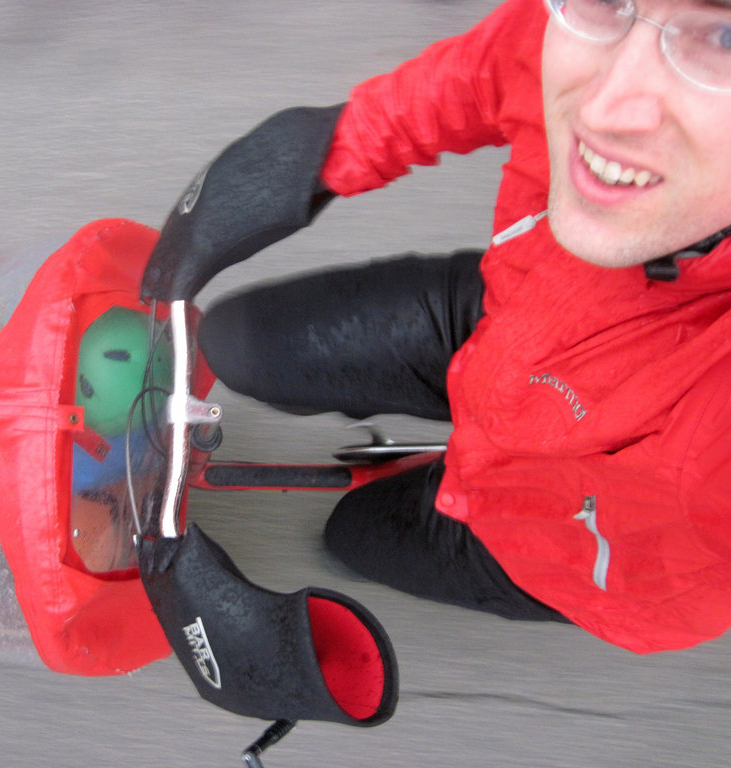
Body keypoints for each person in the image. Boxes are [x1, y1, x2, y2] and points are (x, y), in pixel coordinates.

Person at [141, 0, 731, 653]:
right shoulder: (571, 32)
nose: (603, 107)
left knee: (357, 535)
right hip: (510, 316)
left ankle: (438, 476)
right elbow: (466, 81)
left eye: (725, 36)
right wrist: (315, 157)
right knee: (238, 339)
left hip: (559, 543)